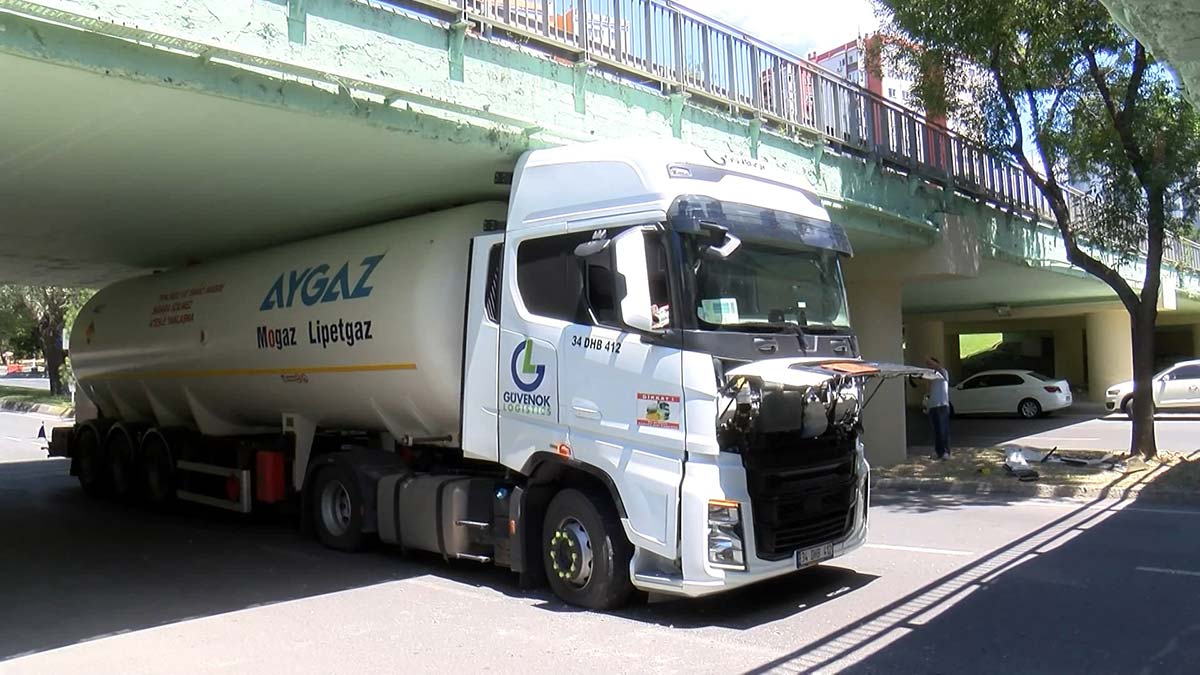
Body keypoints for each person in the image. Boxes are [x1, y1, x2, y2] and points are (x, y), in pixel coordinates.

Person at [921, 357, 951, 460]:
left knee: (943, 429)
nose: (929, 365)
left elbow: (938, 367)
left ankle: (945, 451)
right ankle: (939, 452)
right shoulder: (931, 377)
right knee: (937, 431)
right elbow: (929, 391)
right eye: (927, 364)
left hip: (942, 405)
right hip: (933, 406)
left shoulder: (943, 372)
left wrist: (930, 362)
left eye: (930, 363)